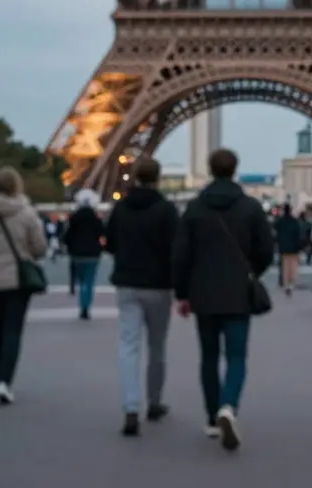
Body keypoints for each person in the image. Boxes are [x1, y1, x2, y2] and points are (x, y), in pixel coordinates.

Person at [173, 148, 274, 451]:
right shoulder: (251, 208)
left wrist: (183, 293)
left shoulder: (194, 209)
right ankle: (228, 406)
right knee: (237, 356)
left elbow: (180, 256)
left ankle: (210, 416)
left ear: (210, 169)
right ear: (235, 170)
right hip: (238, 292)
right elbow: (266, 251)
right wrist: (251, 272)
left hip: (203, 292)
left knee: (208, 356)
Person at [105, 158, 179, 436]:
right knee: (157, 346)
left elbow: (109, 242)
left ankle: (130, 407)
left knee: (128, 346)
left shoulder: (121, 209)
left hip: (127, 283)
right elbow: (176, 249)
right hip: (159, 286)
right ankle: (155, 402)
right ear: (158, 178)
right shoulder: (167, 210)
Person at [0, 167, 49, 404]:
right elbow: (39, 248)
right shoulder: (26, 214)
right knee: (13, 330)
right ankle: (5, 381)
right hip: (17, 280)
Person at [64, 189, 106, 320]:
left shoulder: (73, 219)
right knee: (89, 281)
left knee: (81, 280)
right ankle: (85, 306)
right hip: (93, 254)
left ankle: (82, 303)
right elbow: (103, 234)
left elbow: (67, 236)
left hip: (77, 254)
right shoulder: (96, 220)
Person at [273, 203, 302, 296]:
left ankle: (285, 283)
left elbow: (275, 231)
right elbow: (298, 235)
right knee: (293, 266)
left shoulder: (280, 221)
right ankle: (291, 282)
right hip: (294, 247)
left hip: (283, 247)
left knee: (284, 266)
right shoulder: (294, 221)